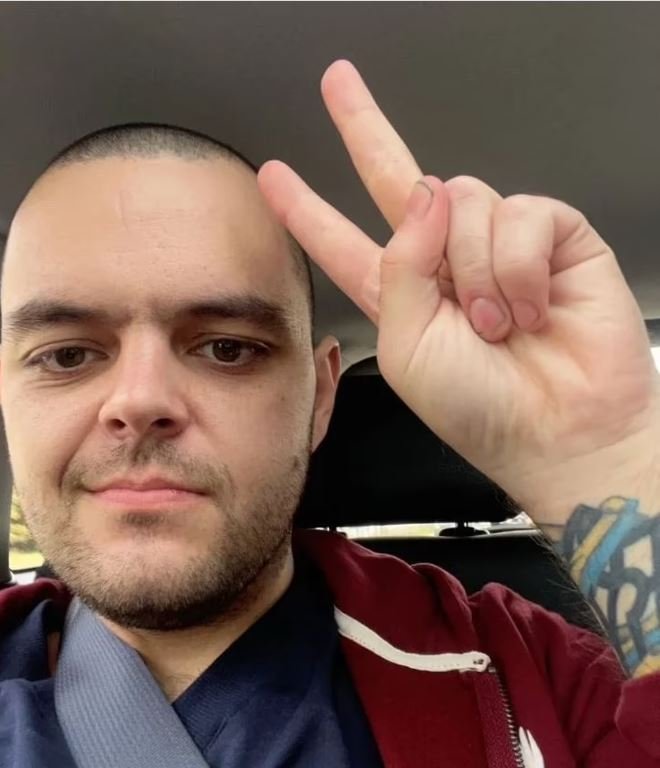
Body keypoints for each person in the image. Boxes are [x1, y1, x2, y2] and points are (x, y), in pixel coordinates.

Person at [0, 58, 658, 767]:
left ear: (320, 397)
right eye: (66, 355)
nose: (139, 399)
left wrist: (611, 460)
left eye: (227, 348)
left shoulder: (532, 676)